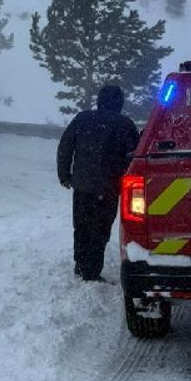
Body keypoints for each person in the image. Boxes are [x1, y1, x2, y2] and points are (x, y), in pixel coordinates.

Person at [56, 85, 141, 281]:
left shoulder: (82, 119)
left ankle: (80, 263)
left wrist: (65, 175)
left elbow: (65, 146)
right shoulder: (125, 125)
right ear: (119, 103)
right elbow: (134, 157)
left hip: (83, 186)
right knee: (100, 229)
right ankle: (92, 271)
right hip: (109, 188)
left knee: (82, 226)